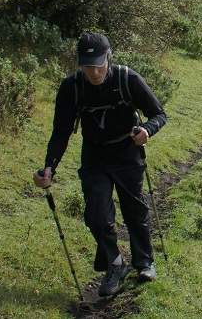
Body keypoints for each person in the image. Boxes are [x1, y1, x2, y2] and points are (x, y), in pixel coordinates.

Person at [33, 32, 167, 297]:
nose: (93, 72)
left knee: (134, 210)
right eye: (87, 66)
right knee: (96, 215)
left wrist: (147, 131)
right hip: (94, 156)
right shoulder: (72, 87)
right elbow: (61, 131)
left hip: (127, 152)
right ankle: (115, 264)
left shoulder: (128, 79)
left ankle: (144, 262)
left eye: (98, 65)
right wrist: (49, 166)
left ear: (108, 58)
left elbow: (159, 114)